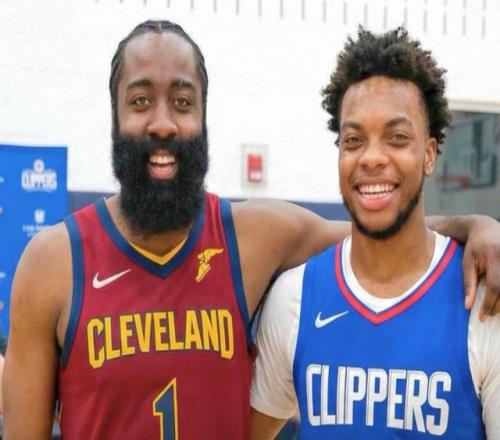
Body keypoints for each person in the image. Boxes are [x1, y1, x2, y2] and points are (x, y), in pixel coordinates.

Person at [3, 21, 500, 440]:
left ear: (204, 117)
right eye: (140, 101)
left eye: (182, 101)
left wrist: (475, 225)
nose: (163, 123)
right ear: (114, 115)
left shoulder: (254, 237)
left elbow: (378, 226)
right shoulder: (52, 264)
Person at [250, 27, 500, 439]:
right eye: (353, 140)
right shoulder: (294, 299)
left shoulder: (483, 301)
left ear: (429, 155)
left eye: (397, 138)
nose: (371, 157)